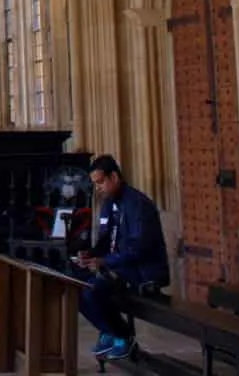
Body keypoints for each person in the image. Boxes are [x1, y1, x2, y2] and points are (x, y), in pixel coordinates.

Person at [74, 155, 171, 362]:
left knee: (94, 291)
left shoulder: (138, 205)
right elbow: (106, 238)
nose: (98, 188)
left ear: (115, 177)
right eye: (95, 184)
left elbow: (139, 249)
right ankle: (109, 331)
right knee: (75, 286)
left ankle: (123, 336)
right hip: (121, 268)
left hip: (143, 272)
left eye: (100, 182)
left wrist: (105, 262)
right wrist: (91, 254)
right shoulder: (109, 203)